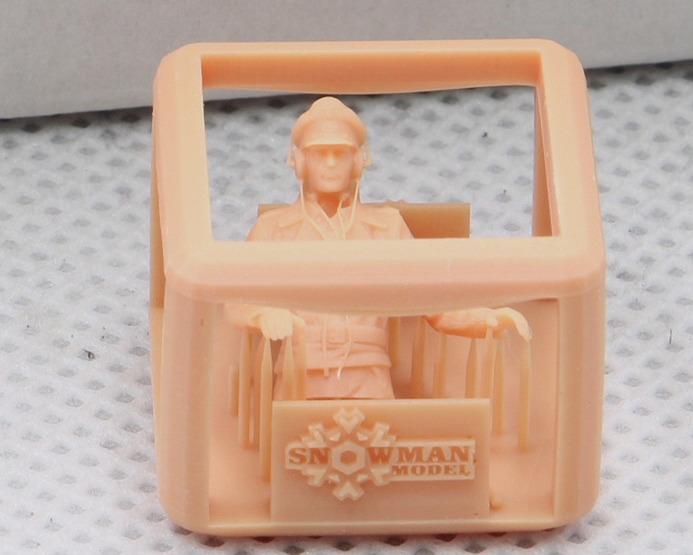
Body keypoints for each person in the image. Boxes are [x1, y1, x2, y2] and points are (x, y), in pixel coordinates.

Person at [226, 97, 530, 400]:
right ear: (301, 162)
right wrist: (263, 315)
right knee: (292, 431)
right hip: (299, 371)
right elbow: (235, 300)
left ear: (357, 161)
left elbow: (432, 297)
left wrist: (484, 318)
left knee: (381, 431)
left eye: (340, 154)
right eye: (319, 154)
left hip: (368, 372)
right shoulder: (274, 228)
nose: (330, 164)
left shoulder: (386, 227)